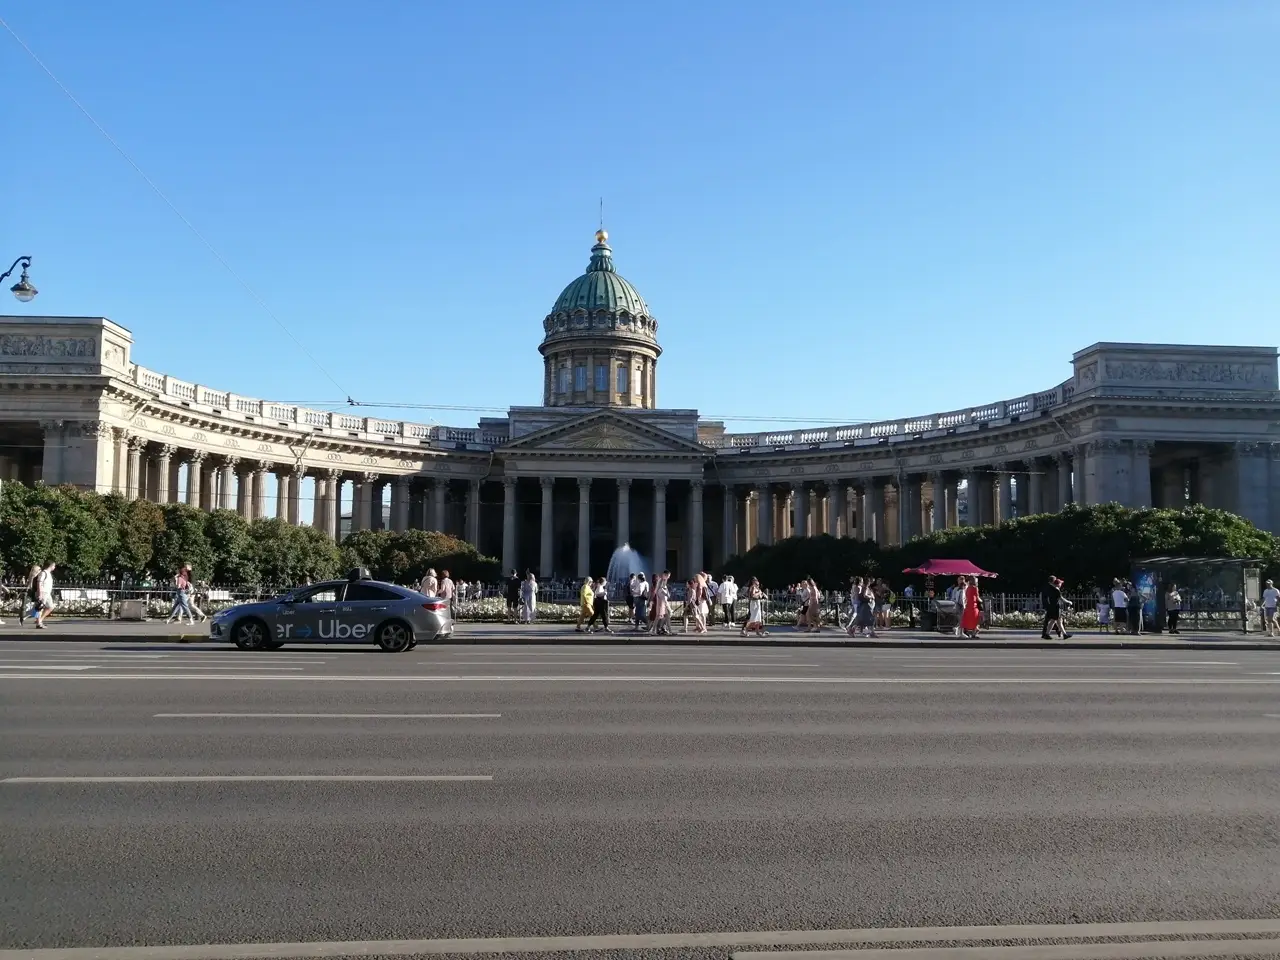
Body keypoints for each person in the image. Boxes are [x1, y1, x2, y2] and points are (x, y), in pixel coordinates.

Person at [33, 561, 56, 630]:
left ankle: (40, 620)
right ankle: (38, 623)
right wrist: (40, 593)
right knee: (40, 608)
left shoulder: (48, 573)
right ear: (51, 566)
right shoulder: (43, 573)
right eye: (54, 566)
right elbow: (39, 583)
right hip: (43, 593)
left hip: (47, 593)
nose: (54, 567)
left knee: (50, 607)